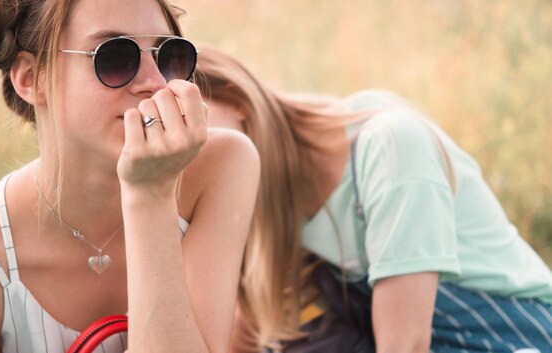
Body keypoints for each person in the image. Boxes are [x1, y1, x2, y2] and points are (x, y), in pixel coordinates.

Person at [0, 0, 260, 353]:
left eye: (168, 56)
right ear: (31, 79)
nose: (154, 83)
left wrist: (150, 197)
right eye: (116, 57)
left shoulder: (221, 166)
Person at [197, 46, 552, 353]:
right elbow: (242, 338)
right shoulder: (264, 198)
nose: (184, 150)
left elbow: (406, 346)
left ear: (238, 99)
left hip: (515, 335)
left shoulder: (388, 144)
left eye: (189, 117)